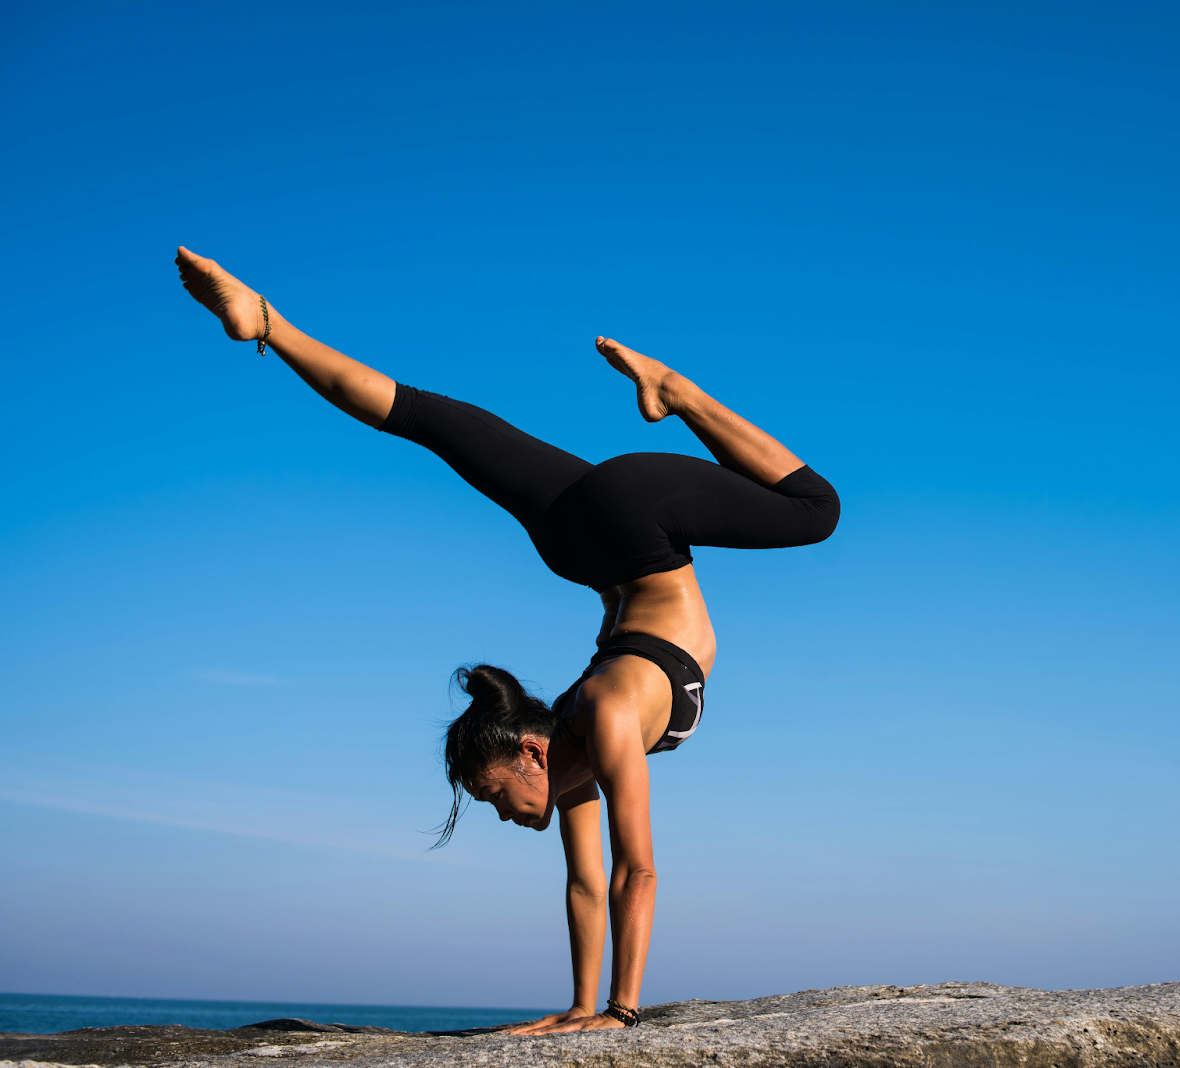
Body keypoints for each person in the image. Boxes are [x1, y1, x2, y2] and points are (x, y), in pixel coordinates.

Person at [173, 247, 840, 1034]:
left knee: (814, 509)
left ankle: (676, 391)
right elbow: (588, 885)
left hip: (638, 522)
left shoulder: (607, 714)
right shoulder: (574, 751)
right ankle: (267, 325)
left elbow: (639, 869)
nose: (502, 815)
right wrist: (578, 1010)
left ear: (530, 751)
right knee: (423, 418)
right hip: (581, 541)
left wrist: (621, 1015)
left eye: (492, 795)